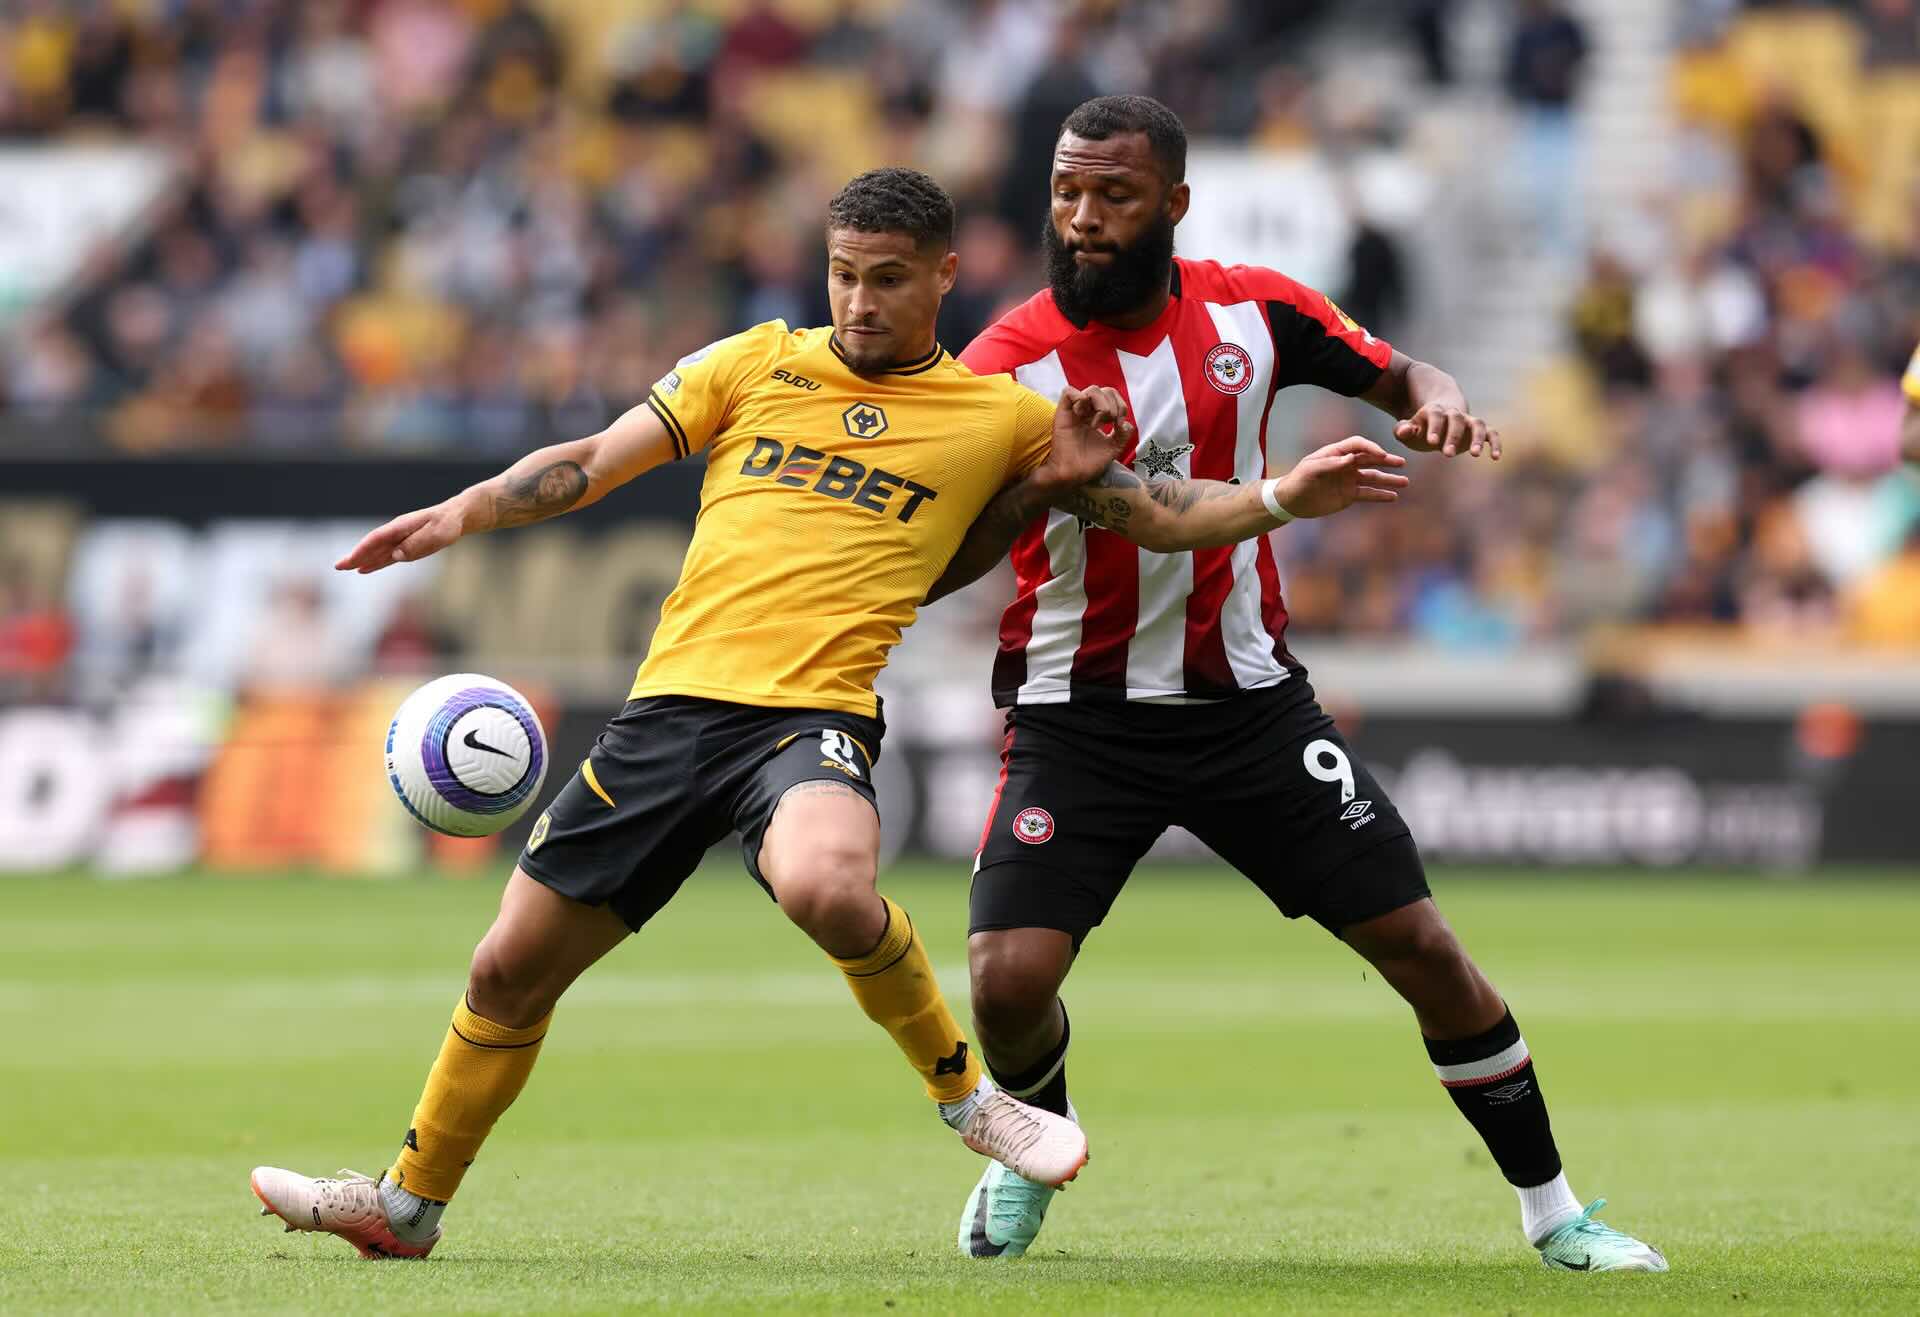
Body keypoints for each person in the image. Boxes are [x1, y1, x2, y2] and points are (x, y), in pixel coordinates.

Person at [248, 166, 1411, 1260]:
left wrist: (1276, 498)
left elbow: (1155, 511)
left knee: (825, 885)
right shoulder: (754, 363)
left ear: (946, 274)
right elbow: (599, 460)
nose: (859, 300)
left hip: (808, 718)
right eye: (844, 273)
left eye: (889, 276)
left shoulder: (995, 416)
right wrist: (462, 512)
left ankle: (972, 1103)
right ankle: (407, 1207)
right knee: (506, 974)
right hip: (666, 717)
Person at [933, 96, 1667, 1274]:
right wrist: (1035, 487)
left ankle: (1555, 1213)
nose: (1081, 216)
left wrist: (1435, 399)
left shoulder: (1253, 310)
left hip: (1250, 710)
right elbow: (944, 559)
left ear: (1173, 203)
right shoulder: (1003, 364)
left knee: (1423, 948)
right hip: (1079, 719)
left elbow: (1399, 367)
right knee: (1005, 982)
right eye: (1068, 191)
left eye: (1113, 194)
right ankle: (1039, 1139)